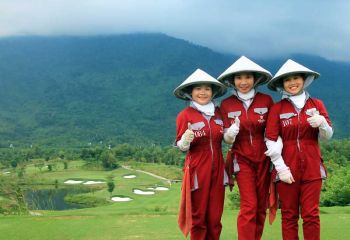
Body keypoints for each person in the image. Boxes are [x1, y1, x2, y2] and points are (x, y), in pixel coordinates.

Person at [265, 59, 333, 240]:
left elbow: (327, 135)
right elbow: (270, 139)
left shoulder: (317, 104)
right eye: (287, 80)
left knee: (311, 214)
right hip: (287, 167)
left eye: (296, 78)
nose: (292, 83)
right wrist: (281, 168)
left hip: (312, 166)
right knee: (289, 215)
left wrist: (322, 123)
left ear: (304, 80)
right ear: (281, 84)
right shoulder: (277, 108)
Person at [218, 56, 273, 240]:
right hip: (241, 159)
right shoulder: (226, 104)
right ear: (233, 80)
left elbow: (273, 131)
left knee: (260, 207)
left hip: (265, 158)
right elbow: (226, 138)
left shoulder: (266, 100)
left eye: (247, 77)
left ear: (255, 79)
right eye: (239, 78)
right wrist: (231, 132)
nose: (243, 82)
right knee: (249, 205)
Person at [174, 68, 228, 239]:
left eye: (207, 88)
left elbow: (226, 137)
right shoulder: (185, 115)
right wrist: (185, 140)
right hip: (197, 167)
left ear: (213, 92)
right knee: (198, 217)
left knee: (215, 217)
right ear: (191, 92)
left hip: (219, 167)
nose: (203, 92)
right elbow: (181, 146)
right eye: (198, 88)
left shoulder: (219, 114)